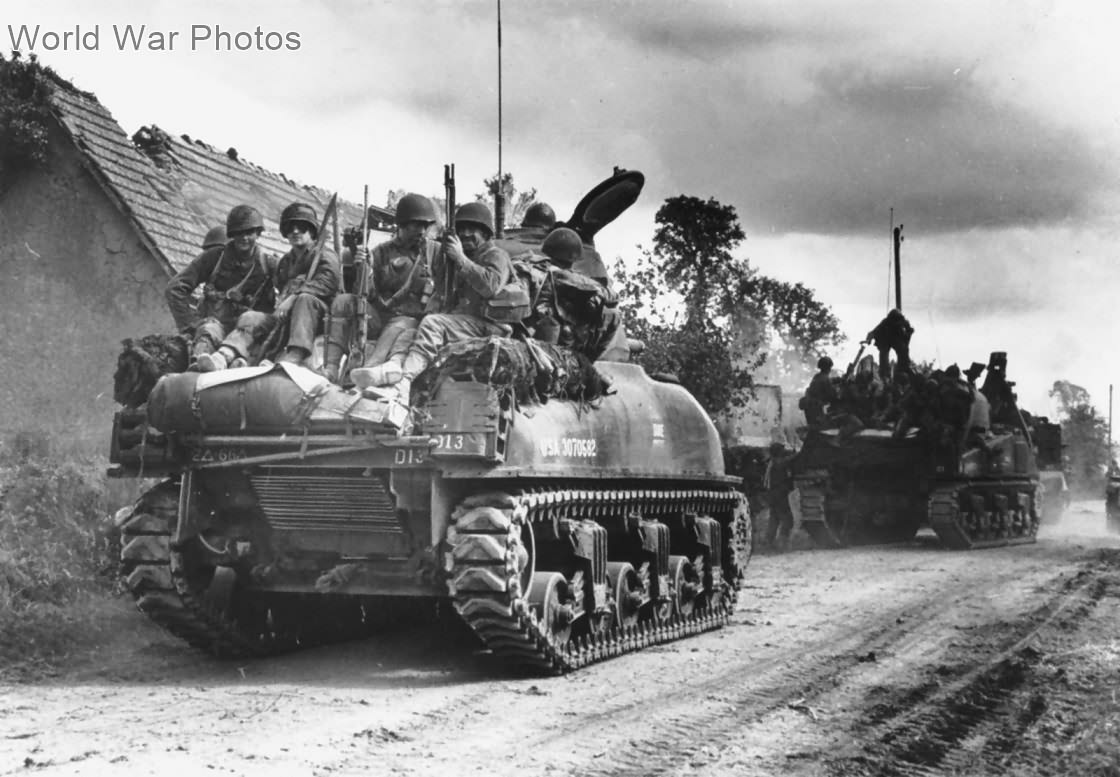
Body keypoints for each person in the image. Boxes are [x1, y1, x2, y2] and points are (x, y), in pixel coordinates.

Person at [355, 201, 514, 398]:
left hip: (490, 324)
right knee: (411, 331)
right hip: (464, 323)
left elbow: (490, 287)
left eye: (472, 229)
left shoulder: (496, 255)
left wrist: (460, 259)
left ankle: (404, 383)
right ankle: (392, 368)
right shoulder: (462, 257)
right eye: (461, 229)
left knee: (432, 324)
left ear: (485, 233)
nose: (464, 234)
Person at [323, 193, 439, 383]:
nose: (422, 230)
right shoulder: (379, 252)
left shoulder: (433, 252)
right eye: (417, 225)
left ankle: (371, 368)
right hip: (378, 315)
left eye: (425, 226)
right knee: (342, 302)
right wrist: (362, 268)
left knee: (400, 324)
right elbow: (364, 293)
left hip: (409, 319)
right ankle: (331, 367)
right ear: (402, 224)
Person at [165, 205, 277, 370]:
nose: (244, 238)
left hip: (249, 334)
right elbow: (175, 288)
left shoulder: (269, 264)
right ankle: (199, 366)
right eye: (239, 233)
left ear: (258, 234)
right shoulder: (214, 257)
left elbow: (292, 287)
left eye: (249, 233)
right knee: (207, 335)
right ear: (231, 234)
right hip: (216, 326)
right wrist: (190, 326)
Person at [269, 202, 342, 367]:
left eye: (301, 227)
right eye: (290, 228)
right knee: (252, 318)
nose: (295, 231)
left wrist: (293, 297)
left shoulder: (325, 255)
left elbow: (329, 282)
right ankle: (231, 353)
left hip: (320, 315)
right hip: (289, 317)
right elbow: (281, 288)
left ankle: (297, 352)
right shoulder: (285, 262)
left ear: (312, 231)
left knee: (305, 299)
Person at [533, 227, 620, 359]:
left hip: (535, 327)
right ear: (572, 258)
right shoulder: (561, 275)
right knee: (613, 315)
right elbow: (612, 297)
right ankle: (586, 363)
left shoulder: (537, 266)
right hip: (552, 332)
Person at [865, 308, 914, 382]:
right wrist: (868, 339)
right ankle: (885, 374)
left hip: (896, 338)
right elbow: (874, 331)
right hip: (886, 338)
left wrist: (906, 339)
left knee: (902, 351)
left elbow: (910, 331)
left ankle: (902, 370)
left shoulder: (902, 321)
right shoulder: (886, 322)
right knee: (884, 354)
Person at [765, 442, 796, 550]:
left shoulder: (771, 463)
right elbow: (786, 462)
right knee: (788, 519)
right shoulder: (777, 463)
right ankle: (782, 543)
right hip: (779, 495)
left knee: (775, 518)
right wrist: (797, 454)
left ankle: (769, 542)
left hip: (773, 494)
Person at [800, 356, 837, 427]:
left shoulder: (817, 376)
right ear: (828, 368)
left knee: (813, 426)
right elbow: (832, 396)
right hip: (816, 408)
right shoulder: (825, 379)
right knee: (820, 428)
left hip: (810, 406)